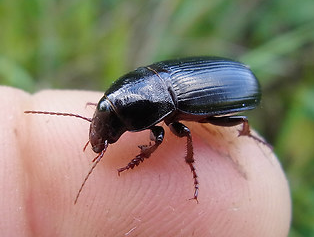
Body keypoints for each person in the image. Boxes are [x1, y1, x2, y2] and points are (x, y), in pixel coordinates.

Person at [0, 86, 291, 236]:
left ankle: (243, 138)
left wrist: (187, 164)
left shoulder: (169, 107)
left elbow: (171, 134)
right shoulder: (150, 92)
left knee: (191, 131)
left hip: (236, 87)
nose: (103, 131)